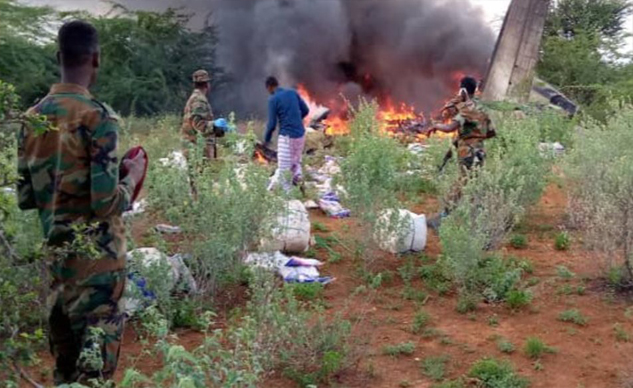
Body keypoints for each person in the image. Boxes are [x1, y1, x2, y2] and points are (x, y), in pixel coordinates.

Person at [16, 20, 147, 386]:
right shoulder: (98, 118)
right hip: (98, 270)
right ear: (96, 59)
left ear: (58, 57)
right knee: (94, 374)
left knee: (64, 370)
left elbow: (26, 197)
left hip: (58, 266)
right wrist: (131, 176)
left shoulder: (31, 119)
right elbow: (105, 202)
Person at [427, 76, 496, 229]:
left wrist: (436, 126)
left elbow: (450, 127)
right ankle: (479, 219)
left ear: (463, 89)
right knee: (473, 184)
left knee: (461, 185)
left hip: (468, 154)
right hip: (480, 151)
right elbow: (490, 132)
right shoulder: (481, 109)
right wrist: (473, 136)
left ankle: (443, 219)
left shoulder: (466, 109)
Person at [263, 76, 310, 192]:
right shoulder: (292, 93)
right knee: (295, 163)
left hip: (287, 137)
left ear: (269, 87)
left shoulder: (273, 99)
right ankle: (300, 185)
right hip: (300, 134)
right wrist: (297, 120)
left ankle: (288, 198)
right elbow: (306, 110)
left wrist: (266, 140)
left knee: (284, 169)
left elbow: (272, 125)